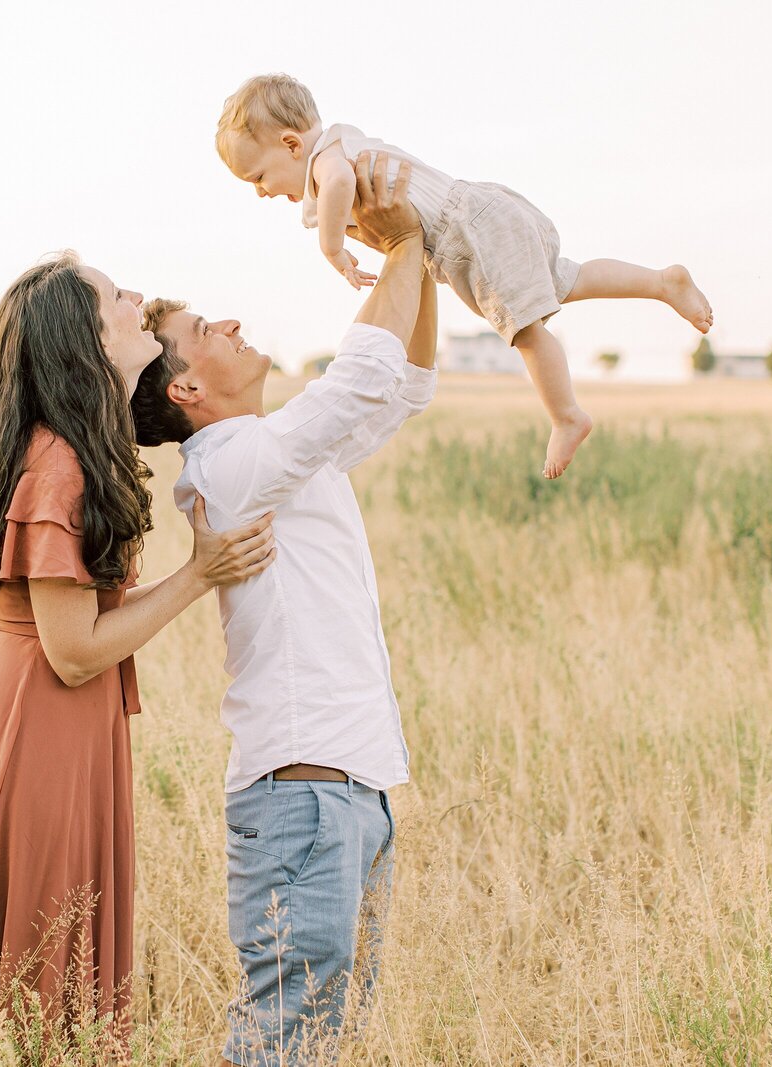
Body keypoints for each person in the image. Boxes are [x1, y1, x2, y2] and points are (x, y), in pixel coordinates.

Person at [0, 253, 277, 1062]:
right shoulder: (58, 462)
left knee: (44, 962)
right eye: (115, 296)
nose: (136, 297)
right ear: (84, 338)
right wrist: (199, 575)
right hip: (41, 728)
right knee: (35, 957)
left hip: (57, 722)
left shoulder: (74, 449)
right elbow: (72, 654)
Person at [130, 154, 432, 1067]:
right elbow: (353, 385)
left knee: (319, 1039)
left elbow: (401, 387)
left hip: (352, 789)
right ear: (187, 388)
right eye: (201, 330)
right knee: (283, 1042)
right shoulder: (228, 468)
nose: (227, 321)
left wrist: (422, 261)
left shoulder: (267, 453)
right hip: (304, 798)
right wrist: (410, 240)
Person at [215, 72, 715, 479]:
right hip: (480, 213)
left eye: (258, 177)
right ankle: (661, 282)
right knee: (568, 278)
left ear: (291, 144)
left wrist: (331, 247)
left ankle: (567, 416)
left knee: (525, 329)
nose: (261, 192)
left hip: (470, 231)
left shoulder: (328, 164)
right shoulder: (339, 146)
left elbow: (342, 184)